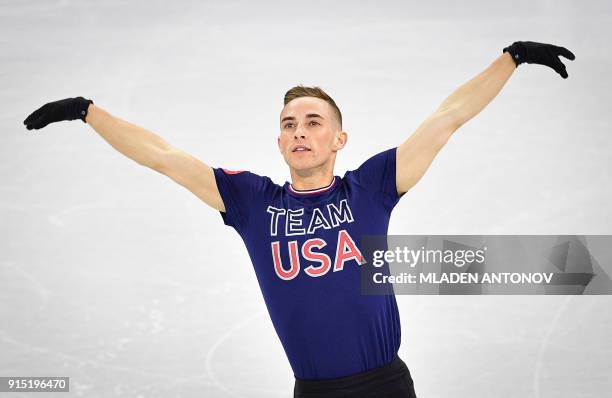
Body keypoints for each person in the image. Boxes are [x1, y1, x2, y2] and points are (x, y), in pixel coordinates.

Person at [23, 41, 574, 397]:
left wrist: (511, 58)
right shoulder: (251, 202)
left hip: (386, 386)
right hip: (312, 391)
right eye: (289, 123)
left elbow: (447, 118)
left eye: (314, 121)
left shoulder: (373, 186)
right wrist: (88, 111)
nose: (300, 131)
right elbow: (163, 156)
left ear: (339, 139)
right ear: (280, 139)